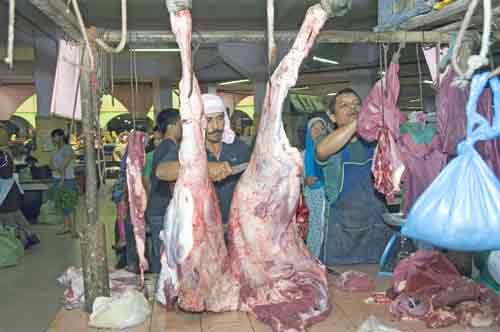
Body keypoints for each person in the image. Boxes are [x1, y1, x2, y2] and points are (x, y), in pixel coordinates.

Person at [315, 88, 392, 266]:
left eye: (357, 105)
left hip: (378, 231)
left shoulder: (375, 142)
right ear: (333, 117)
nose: (352, 108)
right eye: (344, 106)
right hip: (342, 239)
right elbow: (321, 151)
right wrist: (358, 121)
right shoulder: (326, 142)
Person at [156, 94, 252, 227]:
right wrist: (204, 168)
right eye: (209, 120)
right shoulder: (188, 149)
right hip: (201, 230)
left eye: (220, 119)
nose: (216, 127)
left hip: (235, 226)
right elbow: (162, 171)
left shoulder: (239, 147)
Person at [147, 109, 182, 273]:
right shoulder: (170, 147)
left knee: (160, 255)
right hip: (162, 210)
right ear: (172, 125)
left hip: (156, 207)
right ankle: (160, 295)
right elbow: (165, 175)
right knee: (164, 259)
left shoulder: (162, 147)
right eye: (181, 122)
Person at [0, 125, 40, 248]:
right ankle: (30, 234)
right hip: (11, 189)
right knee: (16, 214)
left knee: (8, 218)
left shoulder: (3, 155)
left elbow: (6, 173)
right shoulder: (5, 152)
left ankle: (20, 242)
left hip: (5, 191)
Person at [303, 117, 329, 259]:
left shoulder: (332, 152)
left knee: (326, 226)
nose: (319, 132)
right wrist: (305, 181)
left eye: (322, 128)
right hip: (311, 196)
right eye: (315, 128)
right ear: (309, 132)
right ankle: (313, 259)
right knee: (314, 228)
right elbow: (293, 180)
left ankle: (324, 258)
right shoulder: (302, 155)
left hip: (328, 194)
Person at [50, 128, 78, 236]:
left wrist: (62, 179)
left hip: (67, 180)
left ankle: (74, 229)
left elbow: (63, 166)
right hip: (57, 179)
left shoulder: (68, 149)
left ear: (61, 136)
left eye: (54, 136)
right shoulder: (55, 150)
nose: (53, 138)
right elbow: (51, 165)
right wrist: (57, 169)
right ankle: (66, 226)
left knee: (69, 204)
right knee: (62, 204)